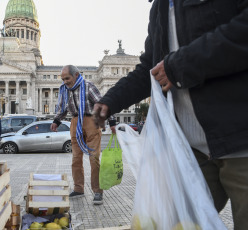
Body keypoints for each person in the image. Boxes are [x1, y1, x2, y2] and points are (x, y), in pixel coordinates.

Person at [93, 0, 248, 228]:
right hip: (191, 152)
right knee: (178, 224)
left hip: (240, 141)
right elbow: (152, 67)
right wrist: (112, 100)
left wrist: (179, 66)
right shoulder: (161, 7)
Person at [51, 65, 116, 205]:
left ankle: (98, 191)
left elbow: (102, 103)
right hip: (75, 122)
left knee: (94, 158)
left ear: (76, 75)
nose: (65, 82)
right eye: (63, 79)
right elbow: (62, 107)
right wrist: (56, 120)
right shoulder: (65, 90)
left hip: (91, 121)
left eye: (67, 78)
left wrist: (112, 121)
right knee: (75, 159)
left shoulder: (88, 86)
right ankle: (79, 188)